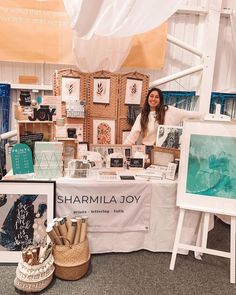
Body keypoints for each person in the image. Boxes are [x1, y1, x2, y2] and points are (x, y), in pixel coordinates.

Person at [124, 87, 203, 145]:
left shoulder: (169, 111)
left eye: (157, 97)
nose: (153, 99)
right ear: (148, 98)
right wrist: (121, 151)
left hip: (165, 150)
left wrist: (204, 116)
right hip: (146, 151)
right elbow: (133, 135)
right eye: (151, 96)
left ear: (160, 100)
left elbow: (187, 114)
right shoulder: (142, 116)